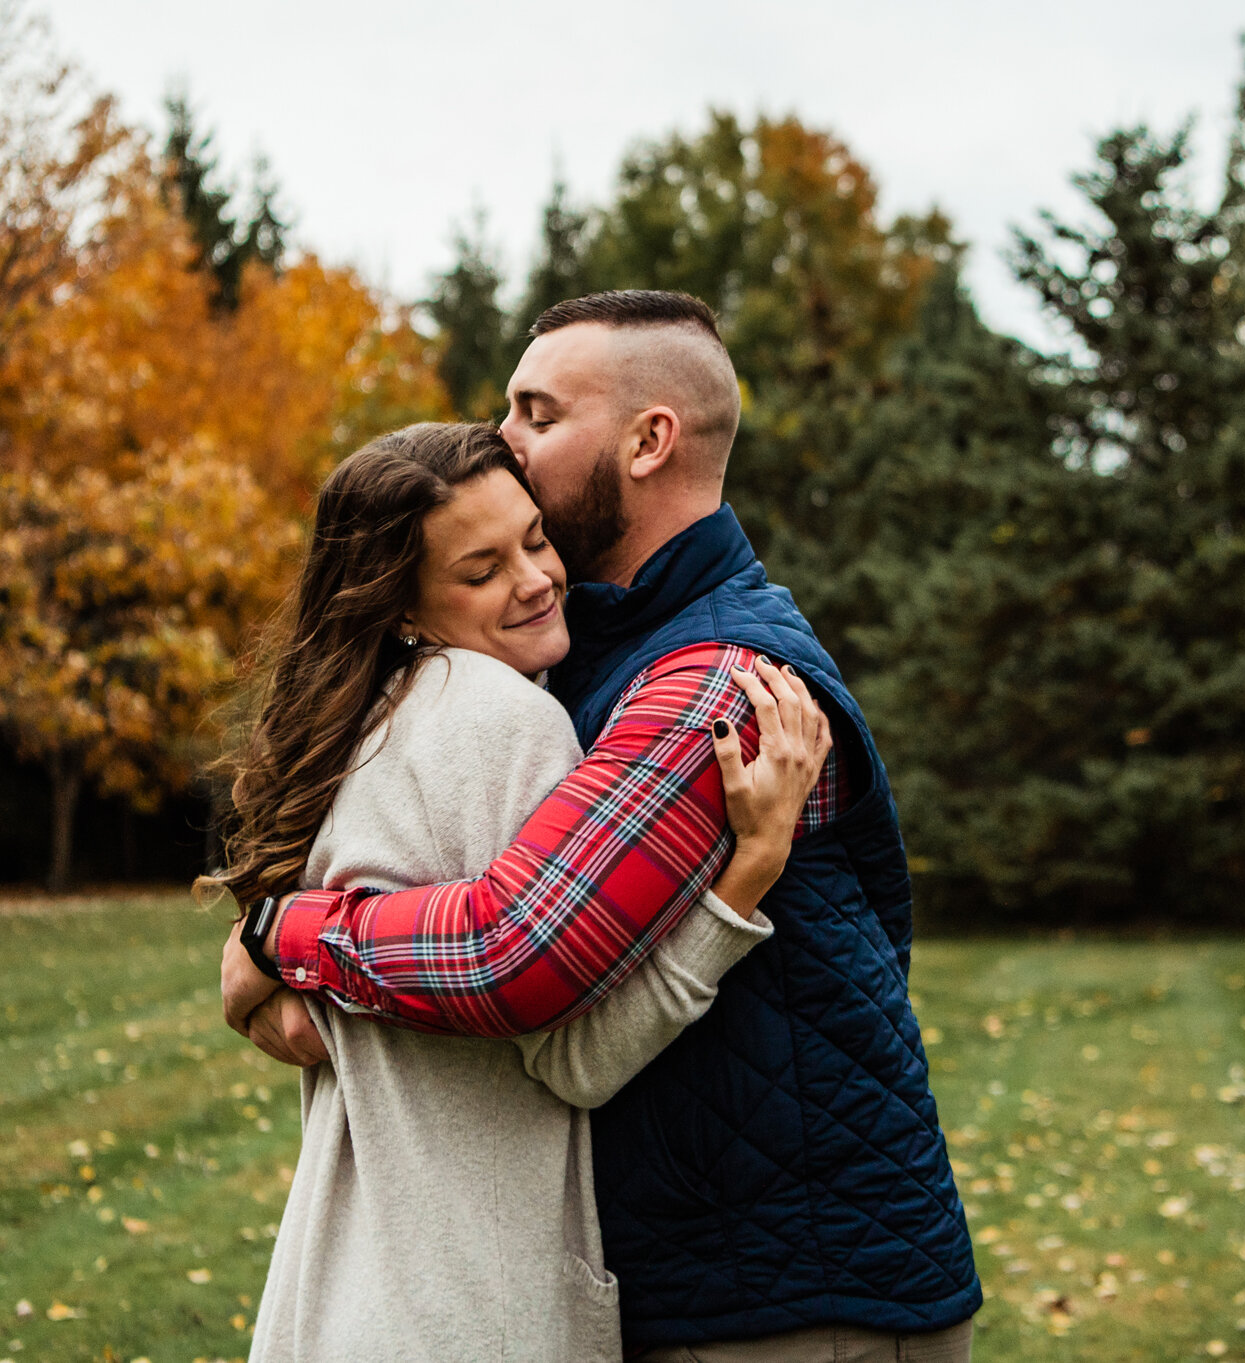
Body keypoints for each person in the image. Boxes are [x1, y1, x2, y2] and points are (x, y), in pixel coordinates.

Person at [224, 290, 983, 1362]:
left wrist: (278, 934)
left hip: (792, 1294)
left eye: (535, 413)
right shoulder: (574, 655)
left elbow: (512, 952)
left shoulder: (715, 682)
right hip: (709, 1265)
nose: (505, 442)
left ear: (647, 440)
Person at [209, 422, 835, 1363]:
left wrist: (267, 942)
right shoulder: (505, 719)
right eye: (482, 569)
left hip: (337, 1291)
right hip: (469, 1303)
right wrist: (746, 876)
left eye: (535, 539)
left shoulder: (363, 730)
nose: (537, 578)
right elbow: (573, 1056)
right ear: (405, 607)